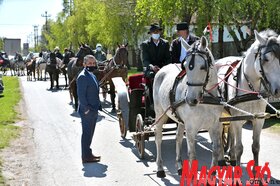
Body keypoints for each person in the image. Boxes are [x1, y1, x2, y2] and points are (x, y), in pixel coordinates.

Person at [76, 55, 101, 163]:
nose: (91, 65)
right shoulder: (82, 76)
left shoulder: (92, 75)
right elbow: (81, 95)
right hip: (87, 110)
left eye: (93, 63)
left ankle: (88, 153)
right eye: (89, 63)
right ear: (84, 64)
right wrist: (86, 109)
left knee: (90, 133)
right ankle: (85, 157)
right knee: (86, 133)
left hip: (93, 109)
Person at [141, 23, 171, 105]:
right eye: (154, 32)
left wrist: (163, 67)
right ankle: (153, 102)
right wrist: (152, 67)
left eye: (157, 32)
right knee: (152, 75)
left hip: (163, 68)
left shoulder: (165, 43)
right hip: (150, 69)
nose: (156, 34)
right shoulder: (145, 44)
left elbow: (168, 58)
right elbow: (145, 60)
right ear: (150, 34)